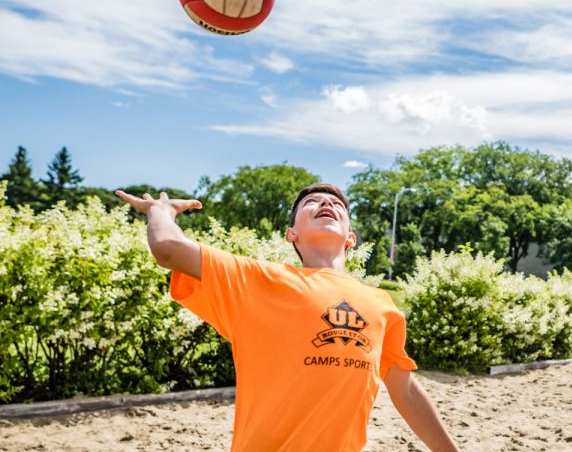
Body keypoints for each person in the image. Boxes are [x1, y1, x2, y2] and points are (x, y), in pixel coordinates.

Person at [115, 184, 459, 452]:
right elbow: (169, 249)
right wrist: (161, 211)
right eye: (313, 203)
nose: (327, 204)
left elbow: (407, 393)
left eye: (338, 204)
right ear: (291, 233)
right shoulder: (258, 280)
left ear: (351, 237)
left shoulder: (383, 305)